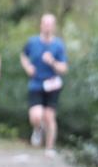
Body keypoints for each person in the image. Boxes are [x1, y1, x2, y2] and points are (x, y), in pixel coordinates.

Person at [20, 13, 68, 157]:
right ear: (41, 25)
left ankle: (49, 147)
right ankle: (38, 128)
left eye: (50, 24)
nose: (47, 26)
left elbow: (64, 68)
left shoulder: (58, 45)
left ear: (54, 27)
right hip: (36, 83)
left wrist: (52, 62)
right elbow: (23, 55)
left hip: (52, 85)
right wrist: (28, 66)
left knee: (49, 116)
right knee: (36, 116)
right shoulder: (32, 42)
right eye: (45, 24)